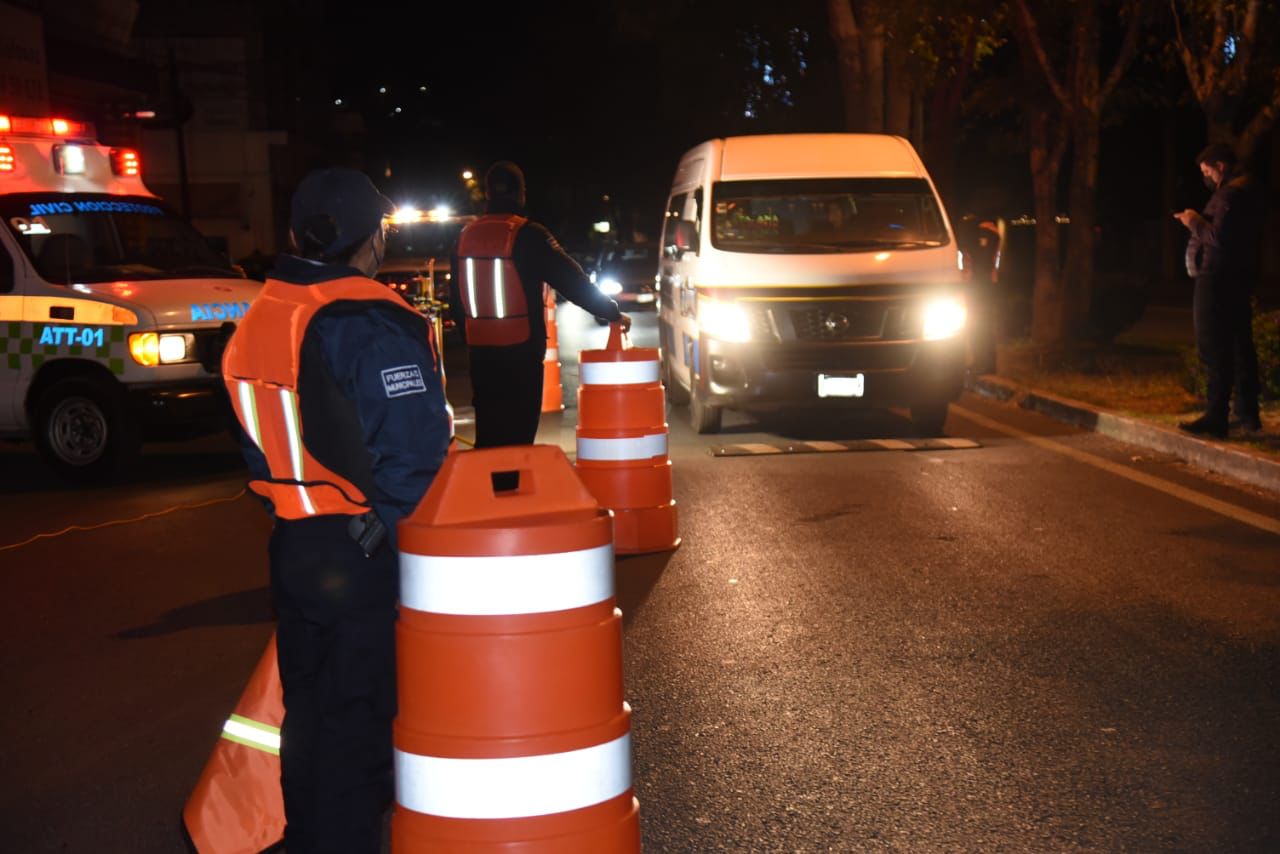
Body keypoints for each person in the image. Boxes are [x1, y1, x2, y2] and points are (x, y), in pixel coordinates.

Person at [222, 168, 451, 853]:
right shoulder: (367, 320)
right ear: (368, 238)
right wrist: (427, 561)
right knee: (361, 726)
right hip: (363, 549)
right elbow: (411, 460)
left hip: (292, 544)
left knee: (311, 720)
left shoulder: (263, 311)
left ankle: (310, 840)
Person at [452, 161, 630, 447]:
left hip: (482, 357)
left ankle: (491, 490)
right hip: (521, 354)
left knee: (489, 438)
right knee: (519, 438)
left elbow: (456, 302)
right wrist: (611, 312)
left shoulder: (465, 237)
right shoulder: (528, 235)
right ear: (521, 193)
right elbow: (573, 282)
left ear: (487, 194)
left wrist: (473, 336)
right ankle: (513, 489)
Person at [1174, 142, 1264, 438]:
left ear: (1220, 166)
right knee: (1239, 344)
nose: (1206, 177)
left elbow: (1219, 237)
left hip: (1216, 278)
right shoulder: (1246, 191)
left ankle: (1216, 416)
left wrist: (1194, 221)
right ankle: (1247, 414)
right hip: (1236, 276)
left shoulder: (1230, 193)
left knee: (1213, 346)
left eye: (1206, 171)